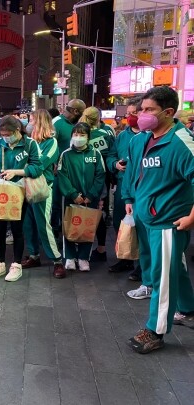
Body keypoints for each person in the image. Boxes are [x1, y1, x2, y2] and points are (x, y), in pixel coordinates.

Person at [122, 86, 194, 354]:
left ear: (168, 112)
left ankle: (155, 330)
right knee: (174, 268)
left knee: (162, 277)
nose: (142, 115)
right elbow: (134, 172)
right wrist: (129, 198)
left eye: (149, 110)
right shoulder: (140, 139)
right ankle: (188, 309)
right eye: (141, 109)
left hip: (169, 221)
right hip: (145, 216)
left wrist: (191, 218)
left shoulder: (182, 142)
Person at [0, 116, 43, 281]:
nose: (6, 137)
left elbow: (38, 167)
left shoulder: (30, 144)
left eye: (8, 134)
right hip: (1, 189)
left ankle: (16, 265)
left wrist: (17, 172)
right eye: (3, 134)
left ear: (17, 130)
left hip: (20, 191)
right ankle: (0, 263)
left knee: (17, 229)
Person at [22, 110, 65, 278]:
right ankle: (34, 255)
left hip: (42, 189)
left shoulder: (51, 142)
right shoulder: (28, 141)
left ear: (40, 122)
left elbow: (40, 164)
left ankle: (57, 260)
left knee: (44, 225)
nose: (29, 123)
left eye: (32, 120)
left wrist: (24, 167)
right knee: (28, 224)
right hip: (26, 187)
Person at [57, 123, 106, 272]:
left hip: (90, 198)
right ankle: (70, 257)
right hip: (71, 198)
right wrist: (73, 194)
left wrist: (91, 195)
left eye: (82, 135)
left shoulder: (96, 154)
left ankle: (84, 257)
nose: (78, 138)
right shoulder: (65, 154)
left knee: (87, 227)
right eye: (76, 134)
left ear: (88, 137)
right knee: (69, 226)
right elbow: (62, 175)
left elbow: (100, 175)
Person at [107, 98, 144, 277]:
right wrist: (115, 164)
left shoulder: (148, 136)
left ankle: (143, 265)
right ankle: (126, 259)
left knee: (142, 226)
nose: (129, 117)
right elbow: (111, 155)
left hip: (142, 187)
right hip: (123, 184)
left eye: (133, 113)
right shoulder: (122, 135)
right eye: (127, 113)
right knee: (120, 223)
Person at [78, 107, 116, 263]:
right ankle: (101, 248)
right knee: (99, 213)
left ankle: (80, 246)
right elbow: (112, 157)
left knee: (80, 213)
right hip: (102, 181)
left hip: (82, 180)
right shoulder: (106, 135)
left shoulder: (79, 134)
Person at [51, 99, 87, 236]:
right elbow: (49, 145)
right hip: (58, 172)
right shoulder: (56, 123)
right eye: (82, 112)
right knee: (56, 204)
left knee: (71, 203)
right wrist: (54, 164)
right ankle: (55, 232)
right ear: (76, 111)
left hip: (75, 171)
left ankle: (71, 231)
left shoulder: (78, 124)